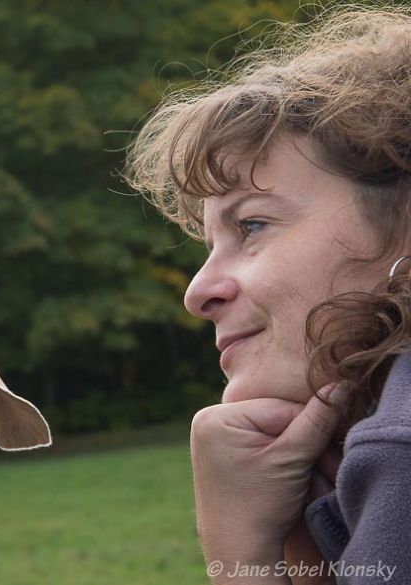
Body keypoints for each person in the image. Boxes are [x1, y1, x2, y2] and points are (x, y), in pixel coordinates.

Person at [125, 6, 411, 584]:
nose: (198, 292)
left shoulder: (402, 448)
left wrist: (240, 554)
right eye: (207, 244)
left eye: (251, 225)